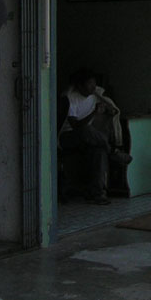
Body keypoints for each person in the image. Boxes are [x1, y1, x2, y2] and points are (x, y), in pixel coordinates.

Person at [58, 68, 132, 205]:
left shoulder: (97, 95)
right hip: (68, 137)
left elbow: (113, 110)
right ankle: (113, 151)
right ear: (80, 85)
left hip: (91, 139)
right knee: (86, 130)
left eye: (94, 83)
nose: (93, 87)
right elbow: (76, 126)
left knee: (99, 151)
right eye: (89, 84)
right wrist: (94, 113)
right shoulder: (70, 97)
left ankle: (98, 193)